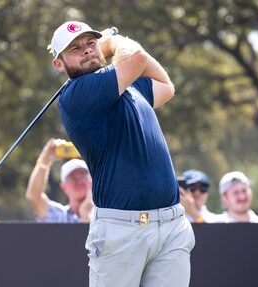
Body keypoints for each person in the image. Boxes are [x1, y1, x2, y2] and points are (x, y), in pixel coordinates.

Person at [49, 21, 195, 287]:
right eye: (75, 49)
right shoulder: (76, 95)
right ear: (59, 64)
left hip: (172, 225)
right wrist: (112, 42)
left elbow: (165, 85)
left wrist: (106, 49)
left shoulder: (129, 87)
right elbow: (137, 57)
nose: (87, 51)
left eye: (90, 43)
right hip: (122, 230)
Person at [26, 138, 93, 223]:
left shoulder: (104, 215)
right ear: (64, 186)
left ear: (91, 182)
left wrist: (85, 214)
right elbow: (34, 197)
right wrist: (45, 159)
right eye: (73, 179)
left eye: (83, 177)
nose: (79, 182)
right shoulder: (58, 215)